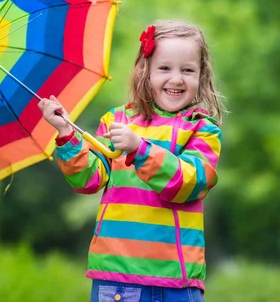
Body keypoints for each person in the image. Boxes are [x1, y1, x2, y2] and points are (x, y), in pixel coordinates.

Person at [38, 20, 224, 302]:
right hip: (117, 278)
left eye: (188, 70)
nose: (176, 79)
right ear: (144, 71)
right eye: (164, 68)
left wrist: (140, 150)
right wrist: (66, 133)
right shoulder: (116, 121)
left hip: (177, 280)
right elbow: (89, 179)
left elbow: (191, 183)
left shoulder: (202, 129)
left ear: (202, 75)